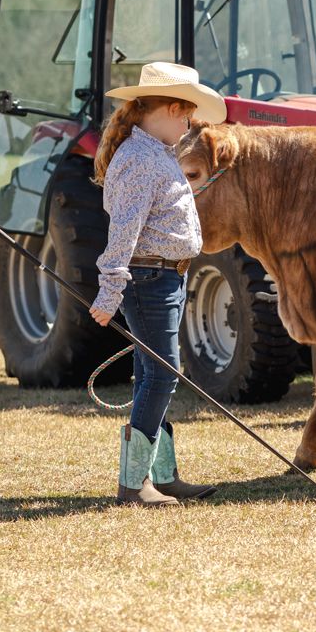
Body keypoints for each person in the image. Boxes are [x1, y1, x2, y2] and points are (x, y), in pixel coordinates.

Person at [90, 62, 227, 507]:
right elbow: (124, 232)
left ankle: (162, 476)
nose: (188, 127)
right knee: (163, 373)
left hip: (166, 276)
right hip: (149, 278)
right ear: (171, 109)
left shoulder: (155, 153)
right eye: (187, 117)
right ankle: (134, 485)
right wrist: (109, 291)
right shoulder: (139, 160)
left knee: (153, 373)